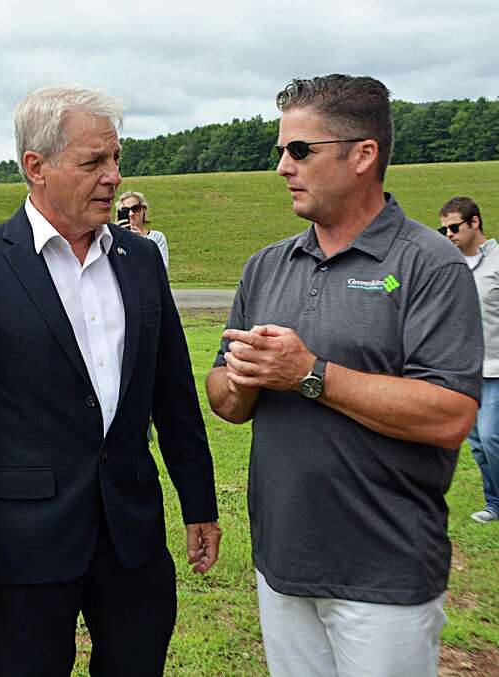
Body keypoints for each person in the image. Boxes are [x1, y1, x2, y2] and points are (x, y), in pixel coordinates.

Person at [0, 85, 221, 677]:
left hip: (132, 538)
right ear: (36, 167)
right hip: (23, 547)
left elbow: (174, 395)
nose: (112, 177)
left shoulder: (140, 261)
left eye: (115, 159)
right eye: (92, 162)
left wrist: (199, 503)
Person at [206, 74, 482, 677]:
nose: (283, 166)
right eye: (280, 150)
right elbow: (224, 401)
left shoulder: (428, 265)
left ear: (363, 155)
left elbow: (452, 415)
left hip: (383, 572)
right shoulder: (266, 266)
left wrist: (309, 374)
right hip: (283, 562)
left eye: (300, 149)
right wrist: (244, 379)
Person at [440, 196, 499, 523]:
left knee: (491, 437)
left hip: (496, 368)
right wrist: (386, 288)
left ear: (474, 222)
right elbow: (399, 284)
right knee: (476, 444)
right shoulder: (449, 264)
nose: (448, 234)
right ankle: (494, 504)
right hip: (464, 371)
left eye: (454, 227)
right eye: (444, 228)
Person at [118, 190, 169, 269]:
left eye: (135, 208)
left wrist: (141, 242)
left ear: (143, 210)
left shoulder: (157, 237)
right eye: (125, 210)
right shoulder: (114, 238)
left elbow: (162, 269)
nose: (131, 214)